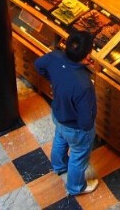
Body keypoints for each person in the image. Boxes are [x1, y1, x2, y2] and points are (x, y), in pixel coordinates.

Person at [34, 31, 98, 196]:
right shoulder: (84, 84)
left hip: (59, 114)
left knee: (60, 140)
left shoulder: (55, 57)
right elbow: (85, 119)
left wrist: (55, 81)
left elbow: (38, 65)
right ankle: (76, 187)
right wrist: (87, 131)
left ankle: (60, 166)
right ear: (87, 56)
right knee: (78, 156)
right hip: (76, 127)